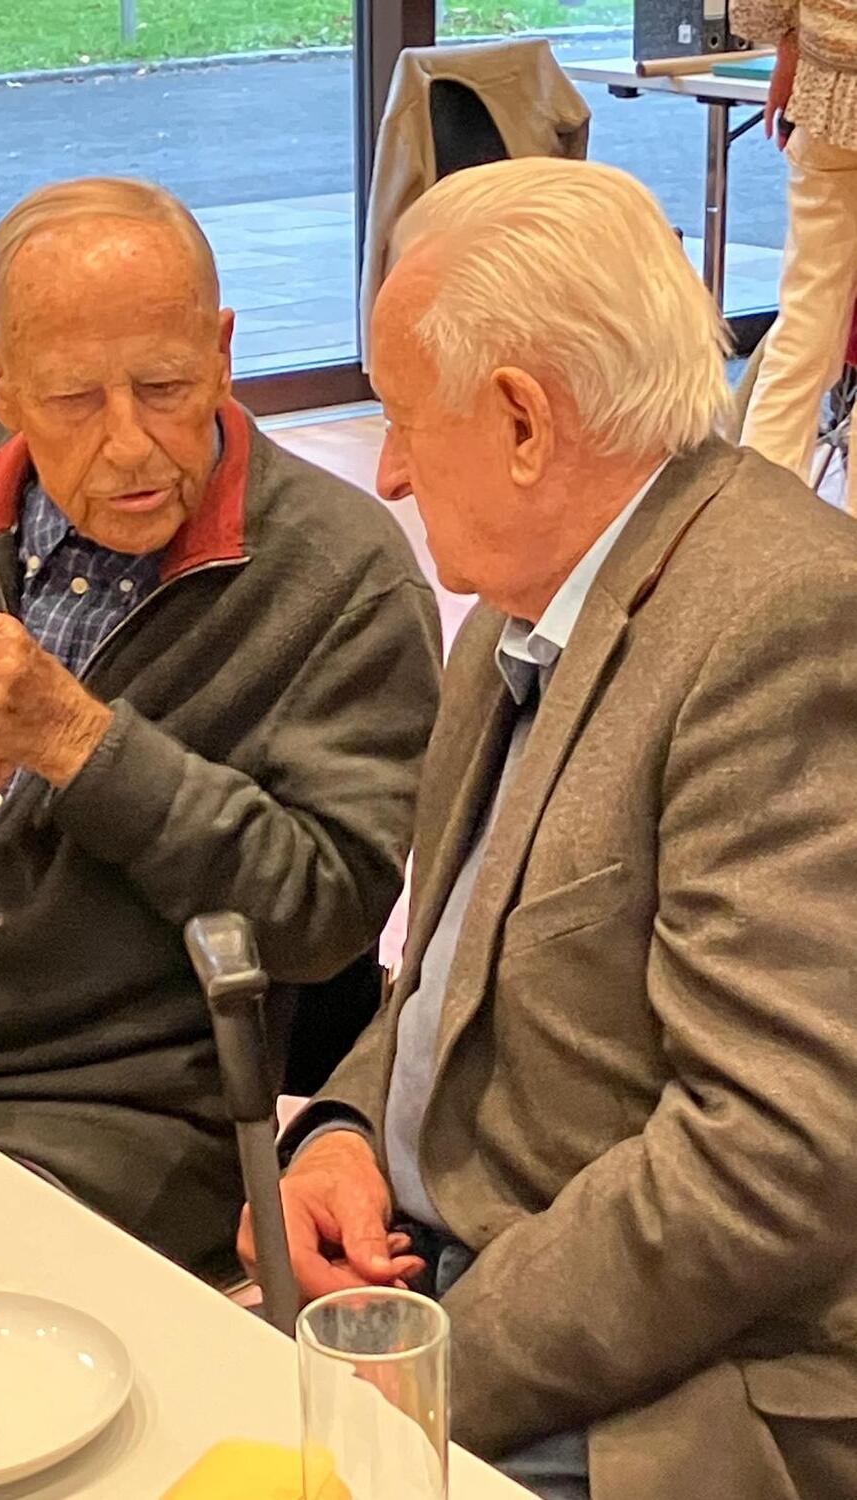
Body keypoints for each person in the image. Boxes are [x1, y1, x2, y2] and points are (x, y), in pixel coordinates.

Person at [240, 158, 857, 1500]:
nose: (388, 472)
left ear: (523, 420)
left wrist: (436, 1366)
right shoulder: (524, 607)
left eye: (404, 419)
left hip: (679, 1373)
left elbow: (769, 1158)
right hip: (465, 1271)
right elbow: (447, 982)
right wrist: (338, 1133)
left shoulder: (786, 624)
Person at [0, 178, 441, 1283]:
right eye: (75, 398)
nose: (130, 444)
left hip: (106, 1115)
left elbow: (324, 913)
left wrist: (82, 744)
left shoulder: (343, 575)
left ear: (221, 353)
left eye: (165, 387)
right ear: (1, 381)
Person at [733, 0, 857, 511]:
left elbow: (760, 7)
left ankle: (754, 521)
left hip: (830, 97)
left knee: (804, 327)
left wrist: (789, 52)